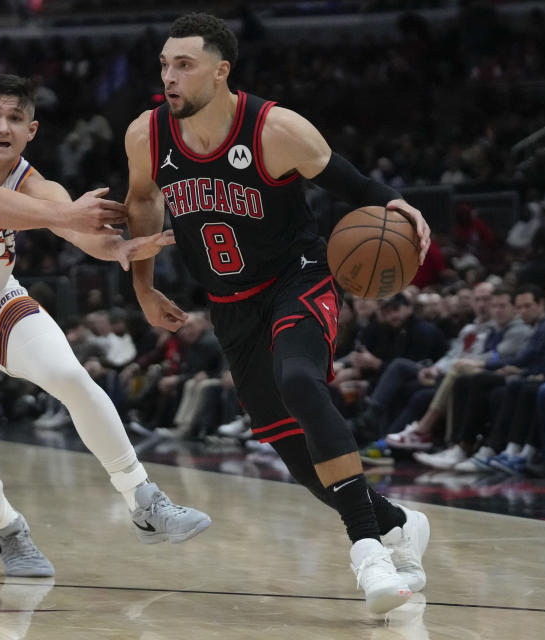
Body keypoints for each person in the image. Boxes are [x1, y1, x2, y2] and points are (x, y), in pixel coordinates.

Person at [124, 13, 430, 614]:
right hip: (229, 306)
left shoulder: (275, 129)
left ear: (221, 69)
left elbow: (355, 184)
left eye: (183, 64)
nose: (170, 76)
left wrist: (398, 206)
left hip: (298, 280)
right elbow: (140, 202)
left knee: (299, 381)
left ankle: (367, 552)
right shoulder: (147, 135)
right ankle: (396, 523)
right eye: (164, 64)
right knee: (297, 457)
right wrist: (142, 286)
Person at [0, 74, 211, 578]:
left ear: (31, 130)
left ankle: (144, 499)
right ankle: (7, 530)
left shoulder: (34, 183)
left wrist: (119, 249)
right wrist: (67, 214)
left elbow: (79, 230)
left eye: (15, 118)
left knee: (68, 374)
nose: (2, 126)